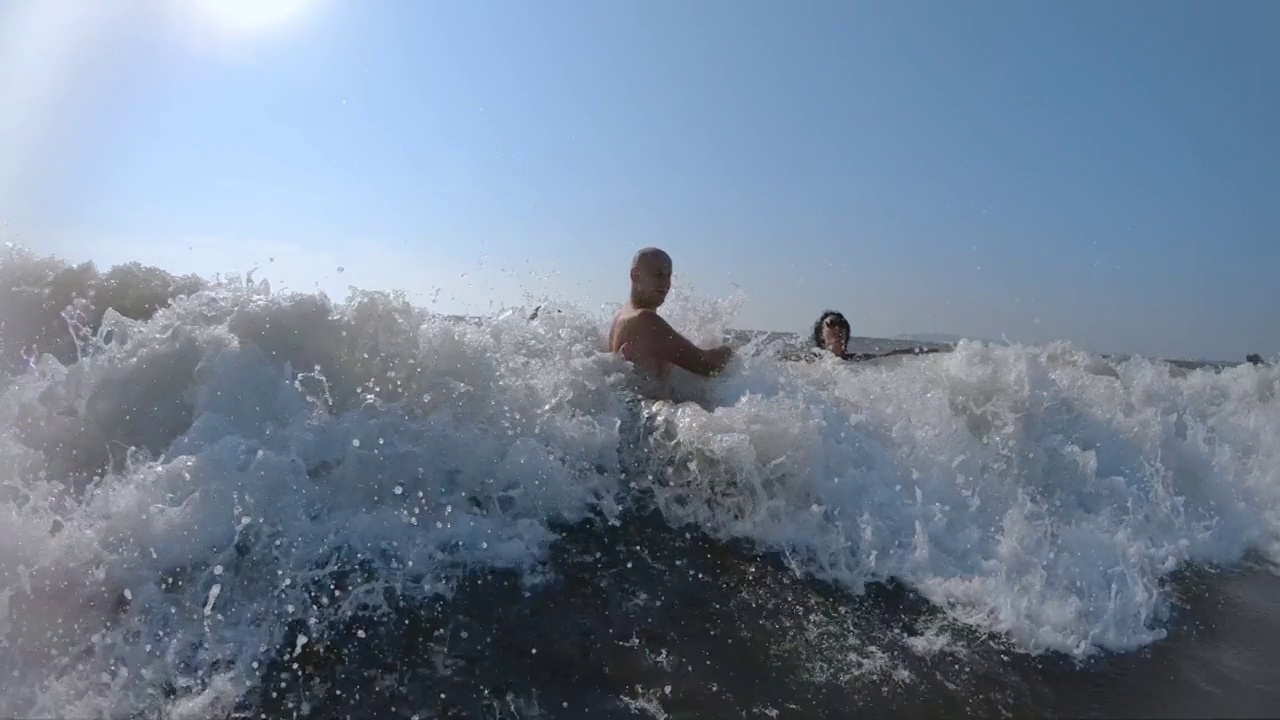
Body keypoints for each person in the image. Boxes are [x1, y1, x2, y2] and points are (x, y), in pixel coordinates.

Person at [608, 247, 734, 392]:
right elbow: (706, 365)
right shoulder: (645, 320)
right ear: (636, 275)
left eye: (668, 275)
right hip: (650, 413)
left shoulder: (619, 317)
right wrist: (733, 350)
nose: (665, 283)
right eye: (658, 274)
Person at [811, 310, 943, 362]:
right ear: (821, 335)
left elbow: (892, 354)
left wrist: (937, 351)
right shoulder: (813, 362)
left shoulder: (858, 360)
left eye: (842, 324)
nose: (838, 327)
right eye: (831, 323)